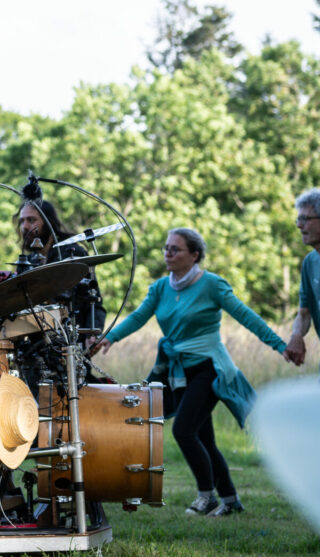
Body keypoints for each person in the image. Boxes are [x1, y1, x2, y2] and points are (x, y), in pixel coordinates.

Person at [90, 227, 297, 516]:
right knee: (204, 438)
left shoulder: (211, 285)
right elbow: (138, 317)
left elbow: (245, 315)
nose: (168, 254)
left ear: (194, 254)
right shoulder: (161, 288)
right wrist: (109, 338)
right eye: (166, 248)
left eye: (175, 249)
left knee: (184, 431)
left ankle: (206, 496)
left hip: (209, 368)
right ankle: (231, 501)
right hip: (179, 372)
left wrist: (280, 345)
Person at [14, 198, 106, 332]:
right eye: (22, 221)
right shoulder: (27, 262)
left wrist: (92, 336)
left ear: (49, 223)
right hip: (37, 341)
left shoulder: (73, 254)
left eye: (31, 220)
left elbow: (93, 302)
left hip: (72, 338)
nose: (25, 226)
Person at [284, 188, 320, 368]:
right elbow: (304, 312)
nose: (299, 225)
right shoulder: (310, 263)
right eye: (299, 219)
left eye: (305, 219)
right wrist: (296, 335)